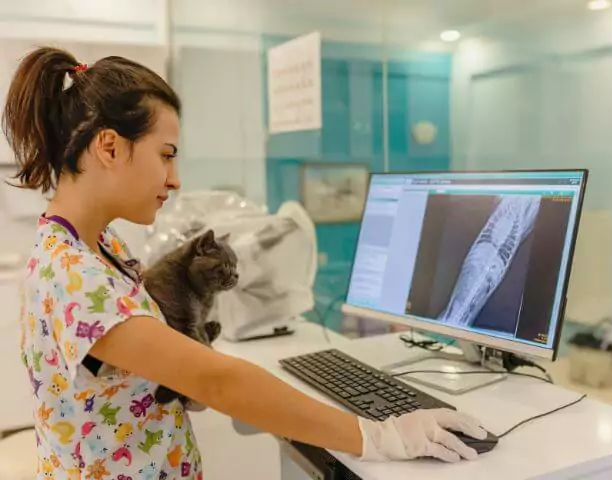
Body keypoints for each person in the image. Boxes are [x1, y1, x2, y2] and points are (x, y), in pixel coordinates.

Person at [2, 47, 487, 479]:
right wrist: (378, 436)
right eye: (165, 155)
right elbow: (218, 381)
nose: (174, 179)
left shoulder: (100, 244)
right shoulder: (73, 276)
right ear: (110, 147)